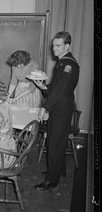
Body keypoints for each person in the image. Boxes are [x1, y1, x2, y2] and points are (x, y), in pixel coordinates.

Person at [34, 31, 80, 190]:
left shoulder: (69, 65)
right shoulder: (62, 62)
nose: (54, 48)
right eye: (53, 45)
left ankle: (51, 180)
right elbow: (55, 87)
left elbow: (60, 90)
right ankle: (57, 170)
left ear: (67, 46)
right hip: (58, 107)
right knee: (54, 141)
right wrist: (43, 87)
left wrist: (44, 108)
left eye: (58, 45)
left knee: (55, 143)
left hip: (62, 108)